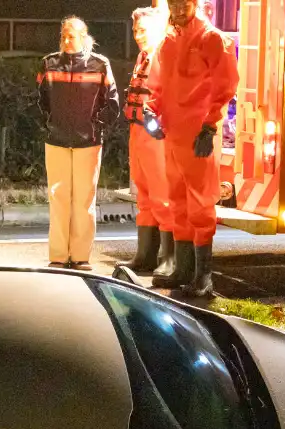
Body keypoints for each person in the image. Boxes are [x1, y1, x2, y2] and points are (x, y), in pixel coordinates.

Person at [146, 0, 238, 296]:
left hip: (198, 132)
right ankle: (184, 270)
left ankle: (204, 277)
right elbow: (157, 85)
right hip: (172, 132)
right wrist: (150, 110)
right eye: (174, 3)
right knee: (177, 200)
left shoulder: (212, 39)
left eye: (184, 4)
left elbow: (226, 85)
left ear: (195, 5)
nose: (179, 9)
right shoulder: (169, 40)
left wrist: (210, 126)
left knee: (200, 202)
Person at [37, 17, 121, 271]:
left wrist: (96, 126)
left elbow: (113, 103)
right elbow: (39, 100)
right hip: (57, 140)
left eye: (71, 35)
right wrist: (48, 124)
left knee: (84, 200)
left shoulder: (100, 64)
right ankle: (59, 256)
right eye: (63, 35)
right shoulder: (49, 63)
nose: (65, 40)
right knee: (58, 198)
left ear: (84, 37)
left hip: (89, 142)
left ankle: (81, 256)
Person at [123, 6, 170, 273]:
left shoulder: (162, 57)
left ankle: (167, 258)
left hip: (155, 133)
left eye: (143, 30)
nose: (138, 35)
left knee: (161, 195)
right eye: (136, 30)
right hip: (138, 131)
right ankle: (145, 256)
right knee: (144, 194)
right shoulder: (144, 56)